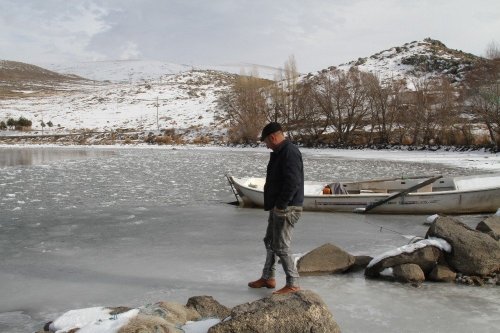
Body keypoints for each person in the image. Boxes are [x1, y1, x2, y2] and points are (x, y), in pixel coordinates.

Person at [248, 122, 304, 294]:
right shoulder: (280, 152)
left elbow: (292, 182)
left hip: (287, 208)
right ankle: (268, 277)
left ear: (273, 137)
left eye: (266, 142)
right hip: (279, 206)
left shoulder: (289, 152)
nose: (267, 146)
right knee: (270, 242)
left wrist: (281, 204)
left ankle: (293, 283)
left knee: (281, 246)